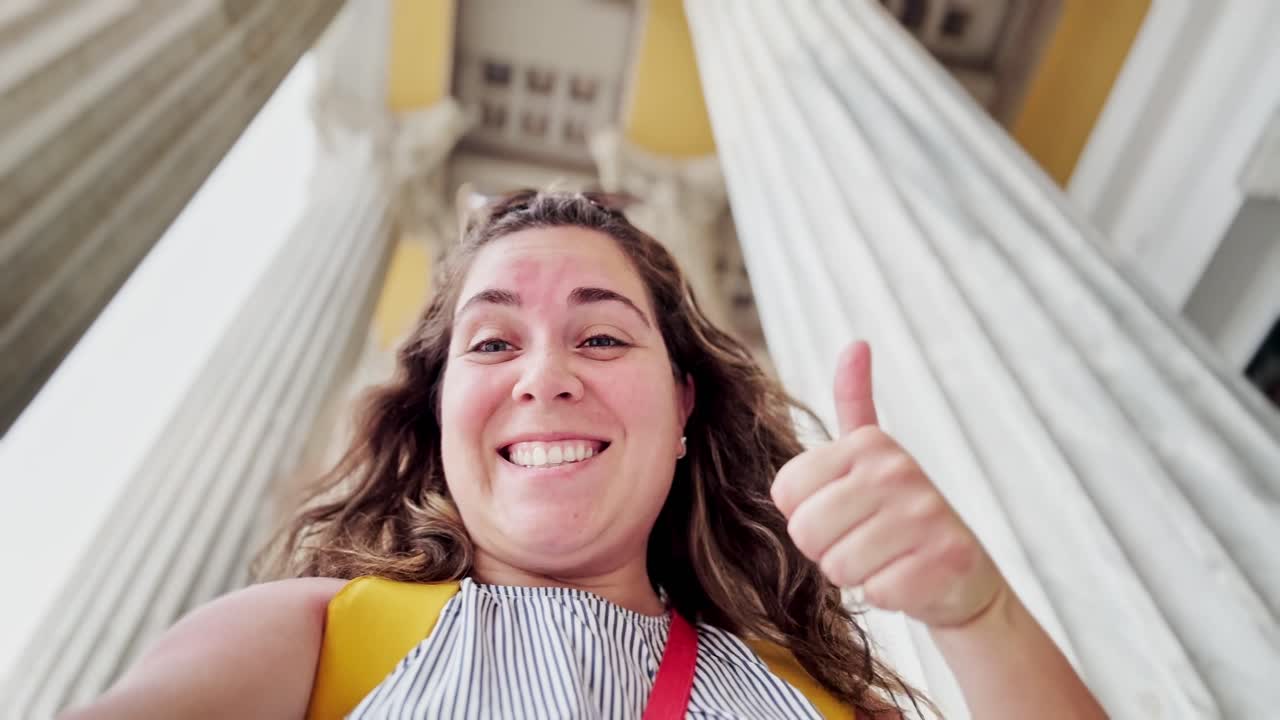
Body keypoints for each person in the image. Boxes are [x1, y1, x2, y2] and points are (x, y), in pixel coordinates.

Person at [64, 190, 1106, 719]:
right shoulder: (313, 636)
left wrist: (980, 617)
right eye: (491, 341)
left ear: (682, 400)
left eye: (602, 335)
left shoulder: (816, 703)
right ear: (437, 416)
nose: (544, 374)